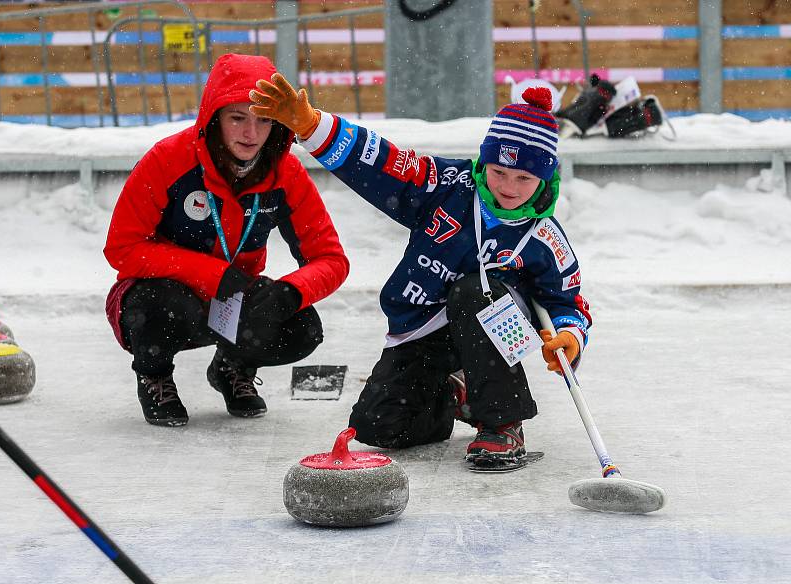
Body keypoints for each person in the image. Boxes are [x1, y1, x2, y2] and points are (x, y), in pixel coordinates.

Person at [250, 74, 591, 465]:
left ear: (545, 178)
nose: (508, 187)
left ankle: (503, 422)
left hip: (493, 330)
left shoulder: (545, 238)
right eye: (498, 172)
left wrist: (570, 335)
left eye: (523, 178)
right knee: (380, 426)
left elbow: (567, 301)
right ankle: (456, 391)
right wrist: (313, 126)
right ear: (484, 162)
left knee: (475, 291)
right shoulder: (446, 184)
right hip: (423, 329)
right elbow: (382, 162)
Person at [104, 54, 349, 427]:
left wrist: (291, 292)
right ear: (213, 117)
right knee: (158, 304)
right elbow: (122, 247)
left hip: (234, 297)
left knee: (302, 327)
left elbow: (331, 258)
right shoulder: (167, 160)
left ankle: (232, 367)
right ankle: (154, 376)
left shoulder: (287, 173)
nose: (251, 134)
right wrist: (210, 273)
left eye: (264, 120)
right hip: (165, 296)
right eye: (238, 118)